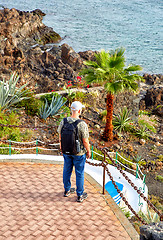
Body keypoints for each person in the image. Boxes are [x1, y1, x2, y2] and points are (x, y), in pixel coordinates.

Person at [58, 101, 91, 202]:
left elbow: (60, 136)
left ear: (71, 109)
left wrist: (61, 148)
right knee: (79, 173)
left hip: (66, 151)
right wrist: (88, 151)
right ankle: (80, 195)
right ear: (80, 110)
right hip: (79, 153)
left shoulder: (63, 121)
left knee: (67, 170)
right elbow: (85, 140)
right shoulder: (82, 124)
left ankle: (67, 190)